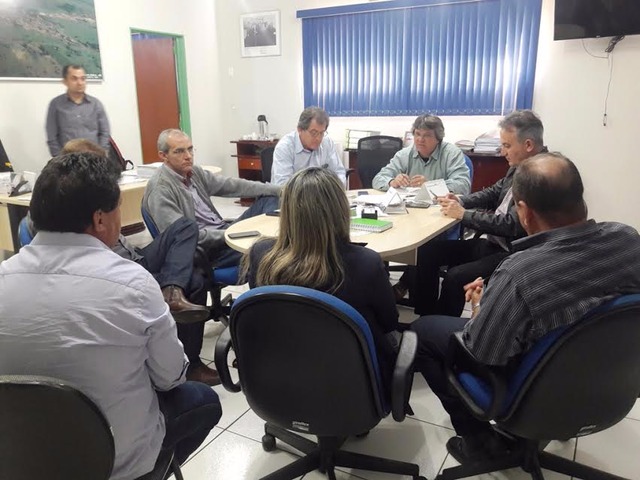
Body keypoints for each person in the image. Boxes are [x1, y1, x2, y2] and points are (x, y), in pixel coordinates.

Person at [0, 152, 222, 480]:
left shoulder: (3, 276)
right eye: (119, 206)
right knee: (203, 400)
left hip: (23, 458)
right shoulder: (132, 283)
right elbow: (171, 376)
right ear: (101, 219)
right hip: (115, 462)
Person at [410, 152, 640, 464]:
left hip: (532, 389)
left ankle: (478, 441)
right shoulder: (628, 239)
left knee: (422, 332)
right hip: (609, 381)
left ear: (524, 212)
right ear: (580, 199)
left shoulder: (520, 273)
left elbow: (484, 354)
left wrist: (482, 307)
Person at [25, 139, 217, 385]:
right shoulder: (64, 214)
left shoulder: (89, 202)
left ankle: (173, 289)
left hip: (136, 256)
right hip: (122, 270)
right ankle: (190, 357)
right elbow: (169, 378)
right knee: (196, 279)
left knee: (186, 227)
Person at [244, 167, 399, 398]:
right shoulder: (365, 263)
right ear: (341, 211)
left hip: (280, 376)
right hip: (353, 386)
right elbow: (389, 323)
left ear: (286, 211)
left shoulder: (261, 254)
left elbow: (262, 314)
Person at [407, 110, 545, 315]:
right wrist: (460, 199)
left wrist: (464, 214)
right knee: (428, 252)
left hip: (511, 252)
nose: (502, 151)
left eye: (507, 145)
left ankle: (443, 327)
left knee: (455, 277)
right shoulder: (519, 166)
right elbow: (493, 192)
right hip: (493, 243)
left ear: (528, 145)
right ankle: (425, 316)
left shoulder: (539, 175)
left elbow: (511, 225)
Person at [143, 128, 280, 268]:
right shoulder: (160, 189)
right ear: (163, 155)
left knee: (270, 198)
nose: (188, 156)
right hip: (208, 249)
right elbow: (183, 237)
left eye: (190, 149)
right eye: (179, 151)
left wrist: (279, 189)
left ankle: (272, 239)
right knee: (267, 248)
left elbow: (232, 185)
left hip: (224, 232)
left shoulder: (193, 172)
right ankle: (269, 285)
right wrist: (232, 234)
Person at [372, 114, 470, 194]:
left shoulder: (452, 154)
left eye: (427, 135)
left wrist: (430, 186)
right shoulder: (404, 155)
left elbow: (463, 185)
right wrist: (392, 182)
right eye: (417, 134)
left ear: (438, 138)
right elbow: (378, 179)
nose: (420, 140)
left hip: (442, 209)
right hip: (411, 209)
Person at [271, 106, 347, 186]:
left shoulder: (327, 143)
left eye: (321, 133)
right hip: (292, 197)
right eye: (314, 133)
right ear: (300, 130)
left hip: (320, 196)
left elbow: (339, 173)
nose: (318, 138)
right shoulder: (285, 147)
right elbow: (283, 185)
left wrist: (335, 191)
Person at [46, 65, 110, 157]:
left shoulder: (96, 104)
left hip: (94, 160)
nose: (80, 83)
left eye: (83, 79)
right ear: (65, 81)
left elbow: (104, 133)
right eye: (74, 79)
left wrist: (101, 156)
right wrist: (60, 159)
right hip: (67, 160)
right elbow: (52, 136)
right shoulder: (56, 105)